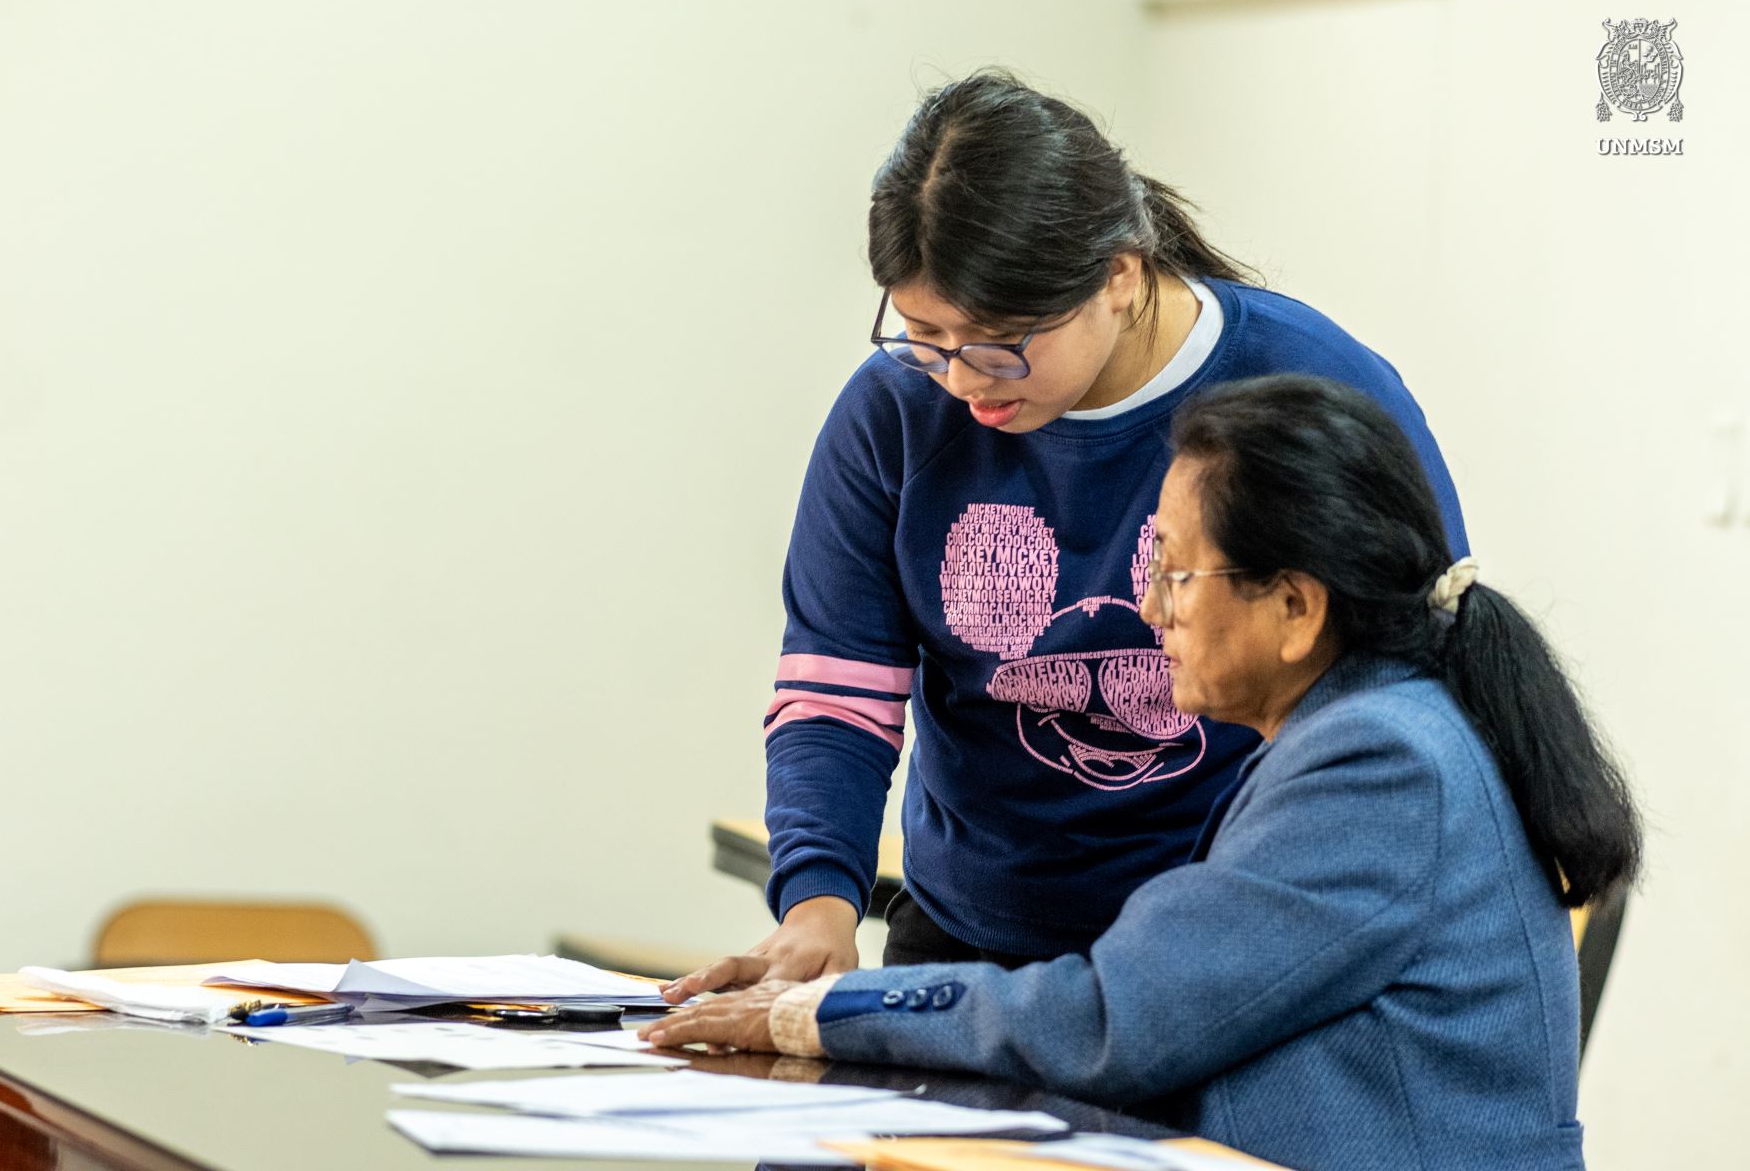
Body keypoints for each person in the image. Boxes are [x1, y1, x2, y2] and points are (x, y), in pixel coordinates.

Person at [643, 374, 1642, 1171]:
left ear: (1295, 609)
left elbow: (1118, 1020)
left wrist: (816, 1015)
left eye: (1173, 572)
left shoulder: (1380, 765)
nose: (1151, 610)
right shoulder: (1378, 725)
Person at [672, 69, 1468, 993]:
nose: (965, 382)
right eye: (925, 336)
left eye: (1001, 341)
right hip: (971, 938)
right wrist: (817, 906)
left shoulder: (1305, 392)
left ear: (1119, 275)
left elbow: (1403, 698)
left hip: (1233, 950)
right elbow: (838, 692)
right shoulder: (894, 413)